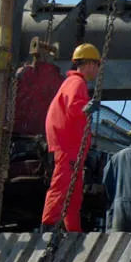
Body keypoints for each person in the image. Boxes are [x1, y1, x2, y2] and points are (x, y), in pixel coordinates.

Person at [41, 43, 101, 233]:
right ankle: (48, 226)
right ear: (89, 64)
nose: (98, 70)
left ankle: (74, 231)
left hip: (72, 147)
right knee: (62, 185)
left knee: (73, 192)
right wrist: (87, 108)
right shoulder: (77, 82)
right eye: (97, 65)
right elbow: (74, 107)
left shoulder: (71, 83)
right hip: (68, 146)